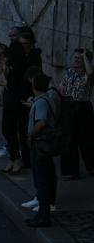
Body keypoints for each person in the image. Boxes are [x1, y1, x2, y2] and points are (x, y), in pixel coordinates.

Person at [4, 27, 42, 175]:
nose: (23, 46)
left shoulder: (34, 56)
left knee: (23, 129)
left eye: (26, 43)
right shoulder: (15, 52)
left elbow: (35, 76)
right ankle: (14, 157)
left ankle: (23, 160)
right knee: (7, 128)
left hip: (25, 96)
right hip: (11, 94)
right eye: (21, 43)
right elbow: (7, 72)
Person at [25, 72, 60, 228]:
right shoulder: (47, 99)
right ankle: (43, 213)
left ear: (34, 85)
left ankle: (43, 215)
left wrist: (30, 135)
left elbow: (41, 122)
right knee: (47, 178)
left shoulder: (41, 102)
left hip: (40, 145)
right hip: (45, 145)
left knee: (42, 180)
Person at [59, 48, 94, 179]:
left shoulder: (88, 73)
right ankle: (70, 171)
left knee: (87, 140)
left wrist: (85, 56)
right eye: (76, 58)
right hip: (69, 106)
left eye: (80, 58)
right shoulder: (69, 72)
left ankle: (91, 166)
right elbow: (62, 87)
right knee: (69, 140)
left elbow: (90, 72)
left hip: (83, 107)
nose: (77, 60)